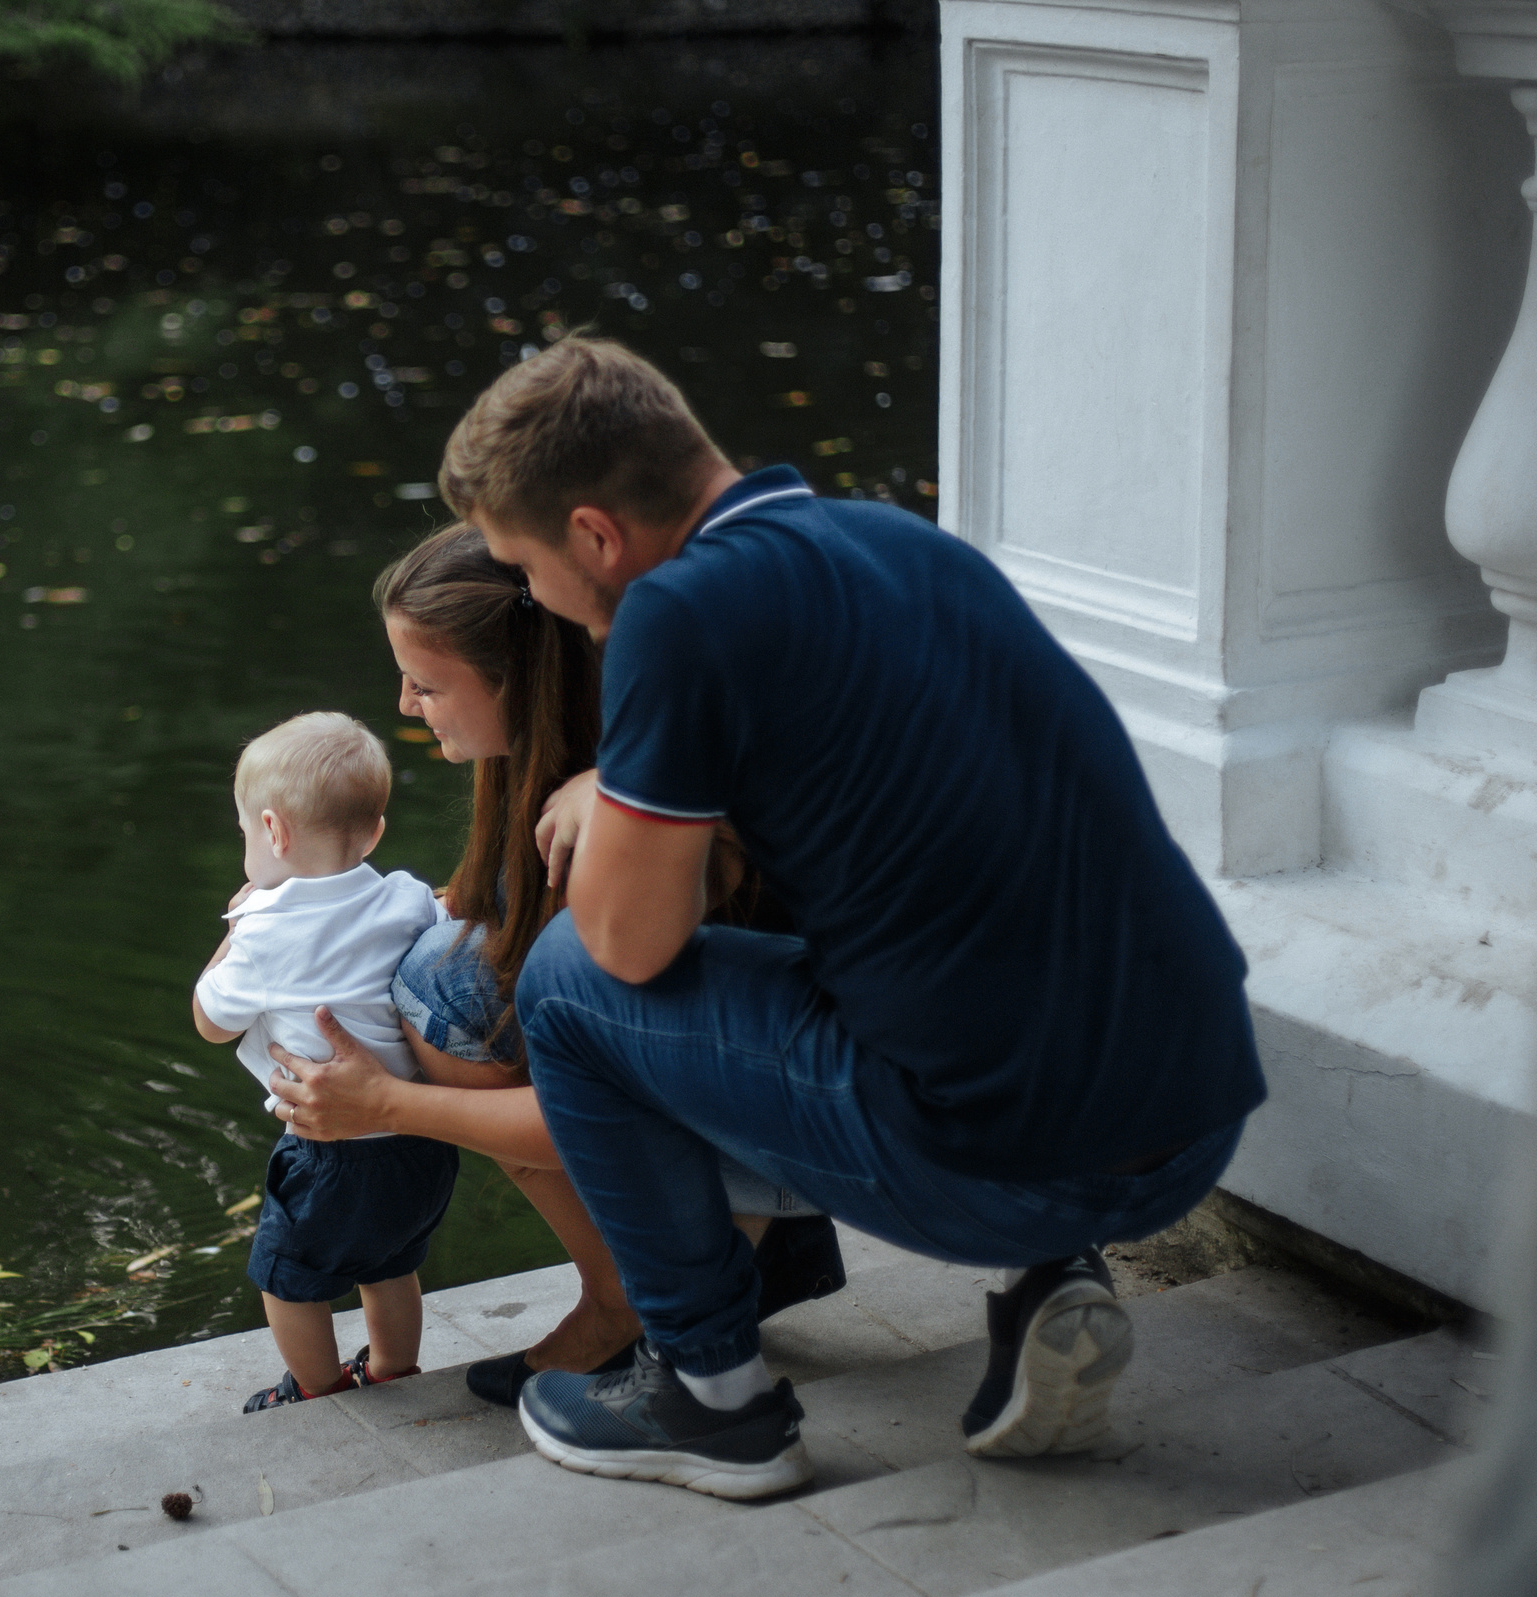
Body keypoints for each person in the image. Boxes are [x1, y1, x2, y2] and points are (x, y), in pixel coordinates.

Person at [437, 335, 1266, 1500]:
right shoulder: (900, 540)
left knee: (567, 984)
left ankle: (710, 1398)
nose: (534, 598)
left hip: (1017, 1166)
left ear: (593, 534)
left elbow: (632, 947)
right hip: (1198, 1106)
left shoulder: (677, 614)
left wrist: (609, 788)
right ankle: (1049, 1278)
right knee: (915, 918)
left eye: (524, 566)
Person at [258, 524, 849, 1409]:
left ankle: (640, 1294)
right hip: (753, 1075)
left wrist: (385, 1105)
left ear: (518, 679)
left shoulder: (618, 839)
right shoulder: (579, 758)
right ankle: (752, 1249)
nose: (408, 705)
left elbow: (607, 1092)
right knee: (461, 955)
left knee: (441, 991)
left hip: (803, 1099)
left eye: (426, 683)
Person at [191, 711, 455, 1411]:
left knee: (284, 1278)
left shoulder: (265, 931)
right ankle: (396, 1368)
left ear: (272, 831)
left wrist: (235, 926)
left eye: (246, 831)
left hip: (331, 1152)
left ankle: (317, 1387)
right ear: (373, 833)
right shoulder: (405, 897)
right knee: (391, 1263)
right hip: (423, 1140)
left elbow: (211, 1022)